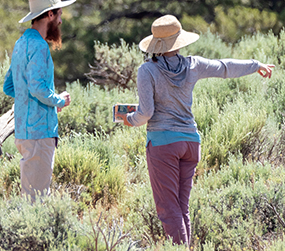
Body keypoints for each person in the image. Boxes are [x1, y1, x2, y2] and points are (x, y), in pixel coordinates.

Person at [115, 15, 274, 246]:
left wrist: (128, 119)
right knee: (182, 208)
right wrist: (256, 65)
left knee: (169, 210)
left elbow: (146, 113)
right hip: (191, 143)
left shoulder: (146, 71)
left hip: (163, 145)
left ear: (156, 44)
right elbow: (225, 67)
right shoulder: (193, 64)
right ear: (179, 41)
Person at [3, 0, 75, 201]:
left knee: (30, 197)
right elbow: (37, 88)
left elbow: (9, 86)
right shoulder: (39, 46)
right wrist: (58, 100)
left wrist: (38, 101)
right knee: (37, 200)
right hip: (40, 134)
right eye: (59, 14)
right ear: (50, 14)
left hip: (24, 134)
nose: (61, 21)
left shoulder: (21, 43)